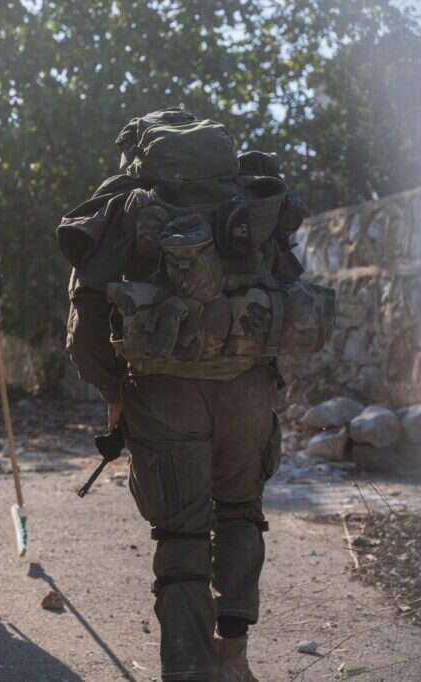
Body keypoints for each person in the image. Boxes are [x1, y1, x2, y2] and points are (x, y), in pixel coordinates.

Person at [59, 109, 333, 681]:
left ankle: (188, 671)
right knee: (240, 516)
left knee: (182, 536)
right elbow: (285, 286)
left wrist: (114, 393)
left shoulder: (130, 206)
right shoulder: (250, 205)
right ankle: (233, 661)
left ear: (143, 155)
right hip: (249, 393)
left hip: (166, 395)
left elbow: (84, 331)